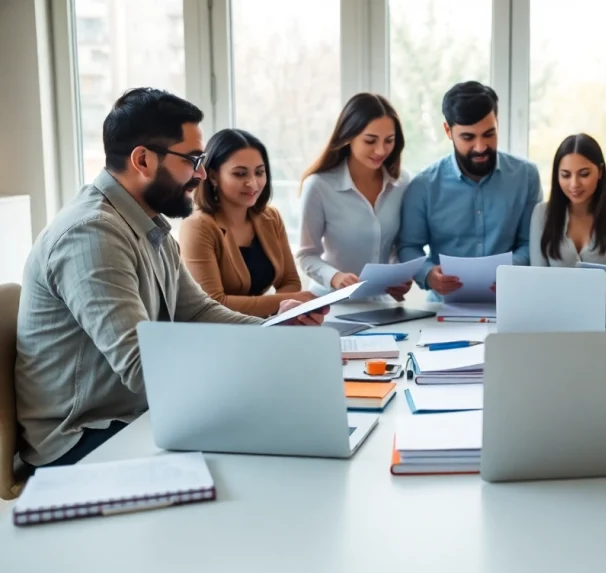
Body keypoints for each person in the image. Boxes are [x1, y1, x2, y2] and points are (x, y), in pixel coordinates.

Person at [13, 88, 324, 469]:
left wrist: (274, 330)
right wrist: (254, 365)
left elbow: (196, 312)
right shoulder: (91, 234)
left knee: (278, 426)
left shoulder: (149, 225)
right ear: (142, 159)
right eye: (193, 159)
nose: (202, 174)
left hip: (131, 415)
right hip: (83, 437)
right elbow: (142, 366)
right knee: (261, 448)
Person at [397, 81, 541, 299]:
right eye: (468, 137)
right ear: (448, 131)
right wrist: (428, 274)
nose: (481, 147)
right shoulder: (423, 186)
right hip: (443, 310)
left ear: (497, 123)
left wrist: (509, 271)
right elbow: (408, 246)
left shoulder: (526, 176)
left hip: (510, 302)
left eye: (489, 134)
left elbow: (530, 243)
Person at [179, 129, 313, 317]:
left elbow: (289, 281)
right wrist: (291, 301)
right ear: (213, 176)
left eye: (259, 172)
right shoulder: (197, 226)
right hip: (218, 333)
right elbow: (213, 303)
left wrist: (283, 310)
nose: (253, 183)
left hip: (261, 327)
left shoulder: (270, 217)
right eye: (240, 174)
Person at [296, 93, 412, 300]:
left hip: (380, 303)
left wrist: (398, 275)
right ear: (348, 136)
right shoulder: (318, 186)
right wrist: (334, 277)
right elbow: (306, 255)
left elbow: (396, 247)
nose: (380, 150)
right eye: (370, 140)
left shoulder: (401, 183)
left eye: (389, 141)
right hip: (329, 302)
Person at [530, 134, 606, 267]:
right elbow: (537, 276)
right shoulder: (542, 214)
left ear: (600, 171)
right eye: (566, 175)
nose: (574, 184)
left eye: (584, 174)